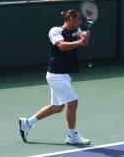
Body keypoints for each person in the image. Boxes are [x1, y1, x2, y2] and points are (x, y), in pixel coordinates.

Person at [19, 9, 91, 145]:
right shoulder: (55, 31)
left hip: (64, 74)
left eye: (81, 20)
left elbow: (84, 41)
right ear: (70, 19)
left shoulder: (77, 29)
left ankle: (27, 123)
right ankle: (72, 135)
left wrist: (86, 37)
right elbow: (62, 46)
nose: (80, 22)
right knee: (73, 102)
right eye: (78, 19)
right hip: (56, 75)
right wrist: (80, 42)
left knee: (57, 107)